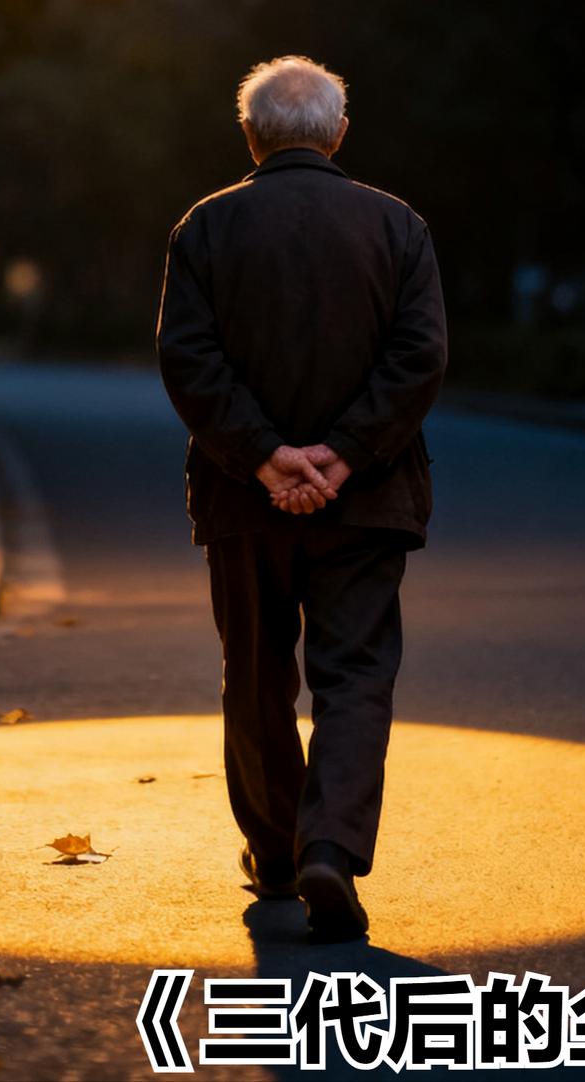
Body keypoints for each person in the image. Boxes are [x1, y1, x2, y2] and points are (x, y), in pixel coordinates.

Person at [155, 54, 448, 941]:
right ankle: (332, 846)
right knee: (356, 673)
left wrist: (267, 457)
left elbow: (187, 358)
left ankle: (276, 855)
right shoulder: (398, 227)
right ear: (338, 135)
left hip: (246, 502)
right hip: (368, 500)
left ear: (249, 135)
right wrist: (345, 456)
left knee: (255, 674)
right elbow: (420, 357)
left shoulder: (205, 229)